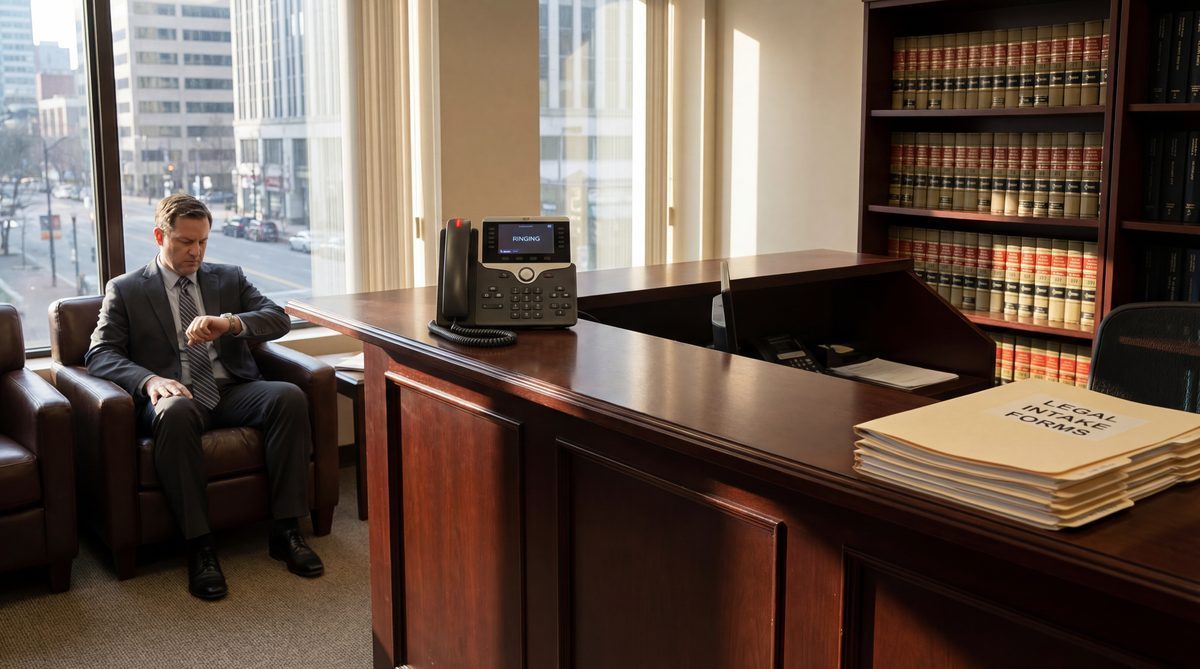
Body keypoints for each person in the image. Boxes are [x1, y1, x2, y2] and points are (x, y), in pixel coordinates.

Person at [85, 193, 323, 600]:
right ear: (160, 236)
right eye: (185, 242)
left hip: (232, 389)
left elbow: (278, 318)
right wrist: (148, 381)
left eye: (202, 242)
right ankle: (200, 546)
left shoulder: (227, 278)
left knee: (288, 397)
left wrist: (228, 323)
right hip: (175, 395)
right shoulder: (125, 290)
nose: (195, 252)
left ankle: (286, 532)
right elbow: (100, 354)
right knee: (174, 412)